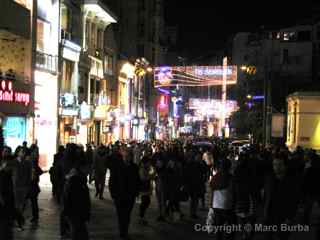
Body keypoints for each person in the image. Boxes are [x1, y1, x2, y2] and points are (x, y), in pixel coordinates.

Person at [263, 157, 301, 240]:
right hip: (270, 216)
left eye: (280, 165)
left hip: (284, 217)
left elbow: (294, 201)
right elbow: (266, 196)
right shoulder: (269, 179)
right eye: (275, 165)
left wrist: (290, 218)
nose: (277, 167)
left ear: (285, 166)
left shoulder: (291, 182)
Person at [107, 146, 140, 240]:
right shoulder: (118, 166)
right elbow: (112, 180)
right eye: (125, 156)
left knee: (127, 214)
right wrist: (113, 193)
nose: (127, 158)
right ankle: (123, 232)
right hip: (119, 195)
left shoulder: (134, 167)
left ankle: (125, 230)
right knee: (121, 214)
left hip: (130, 195)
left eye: (128, 156)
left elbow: (137, 181)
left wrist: (136, 192)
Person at [63, 146, 91, 240]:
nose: (88, 171)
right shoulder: (75, 179)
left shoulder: (76, 178)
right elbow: (69, 197)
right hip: (76, 213)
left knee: (79, 233)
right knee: (79, 234)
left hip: (76, 213)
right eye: (87, 168)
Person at [210, 158, 235, 240]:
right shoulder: (231, 178)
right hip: (228, 205)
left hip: (216, 205)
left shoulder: (215, 177)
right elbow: (234, 192)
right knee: (230, 228)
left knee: (218, 228)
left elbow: (212, 189)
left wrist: (211, 204)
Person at [12, 146, 32, 231]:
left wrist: (28, 186)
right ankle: (20, 223)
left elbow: (29, 175)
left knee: (21, 206)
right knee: (17, 206)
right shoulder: (13, 162)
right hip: (14, 187)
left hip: (24, 187)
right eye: (21, 151)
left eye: (24, 152)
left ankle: (19, 222)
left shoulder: (27, 163)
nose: (23, 153)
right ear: (17, 152)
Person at [0, 146, 15, 240]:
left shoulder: (11, 163)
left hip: (8, 193)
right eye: (5, 151)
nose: (6, 153)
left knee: (6, 218)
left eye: (8, 152)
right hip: (3, 192)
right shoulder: (2, 164)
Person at [138, 150, 155, 225]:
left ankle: (142, 217)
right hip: (143, 187)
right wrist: (152, 176)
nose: (149, 164)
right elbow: (143, 178)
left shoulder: (145, 168)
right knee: (145, 202)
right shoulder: (142, 168)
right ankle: (141, 217)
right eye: (149, 162)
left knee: (146, 202)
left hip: (145, 187)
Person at [28, 144, 44, 223]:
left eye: (37, 151)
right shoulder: (31, 160)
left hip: (33, 183)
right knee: (32, 200)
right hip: (30, 183)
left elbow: (39, 171)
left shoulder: (33, 160)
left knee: (33, 200)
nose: (37, 153)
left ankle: (35, 216)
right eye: (36, 151)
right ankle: (35, 216)